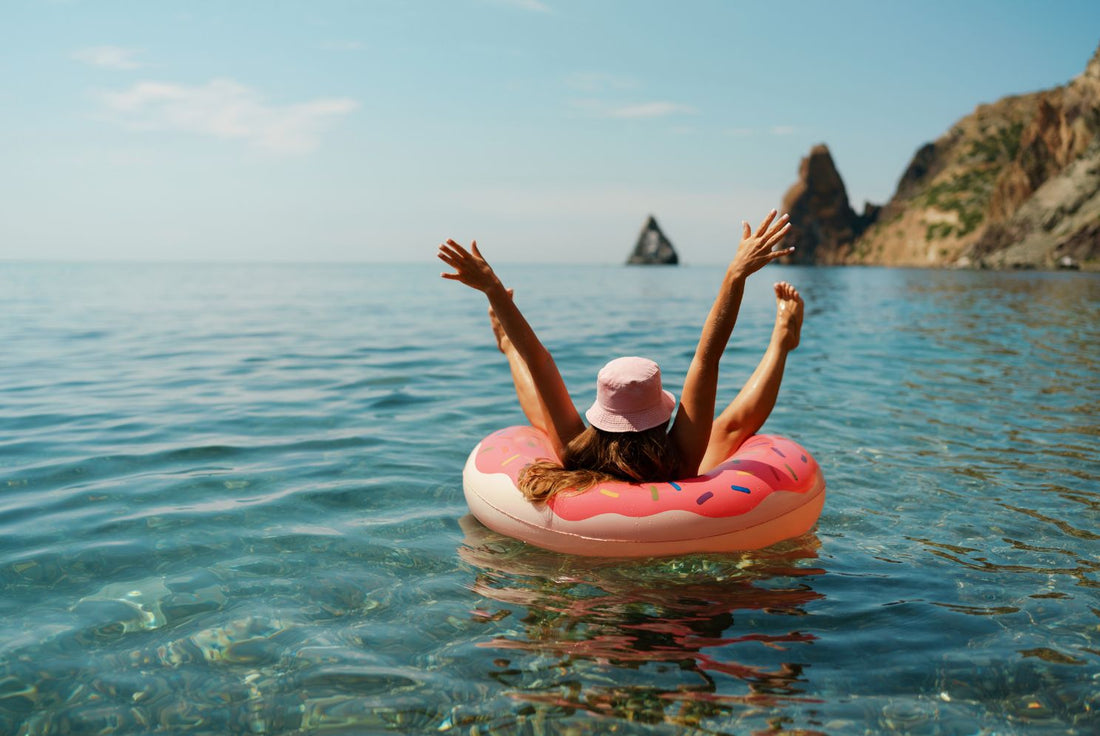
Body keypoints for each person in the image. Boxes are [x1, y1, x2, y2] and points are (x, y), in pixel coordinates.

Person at [437, 209, 803, 502]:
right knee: (727, 428)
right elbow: (707, 357)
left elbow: (540, 362)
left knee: (544, 417)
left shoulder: (576, 454)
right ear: (662, 413)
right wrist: (735, 275)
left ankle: (506, 346)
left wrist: (492, 289)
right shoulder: (681, 457)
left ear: (602, 415)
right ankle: (781, 343)